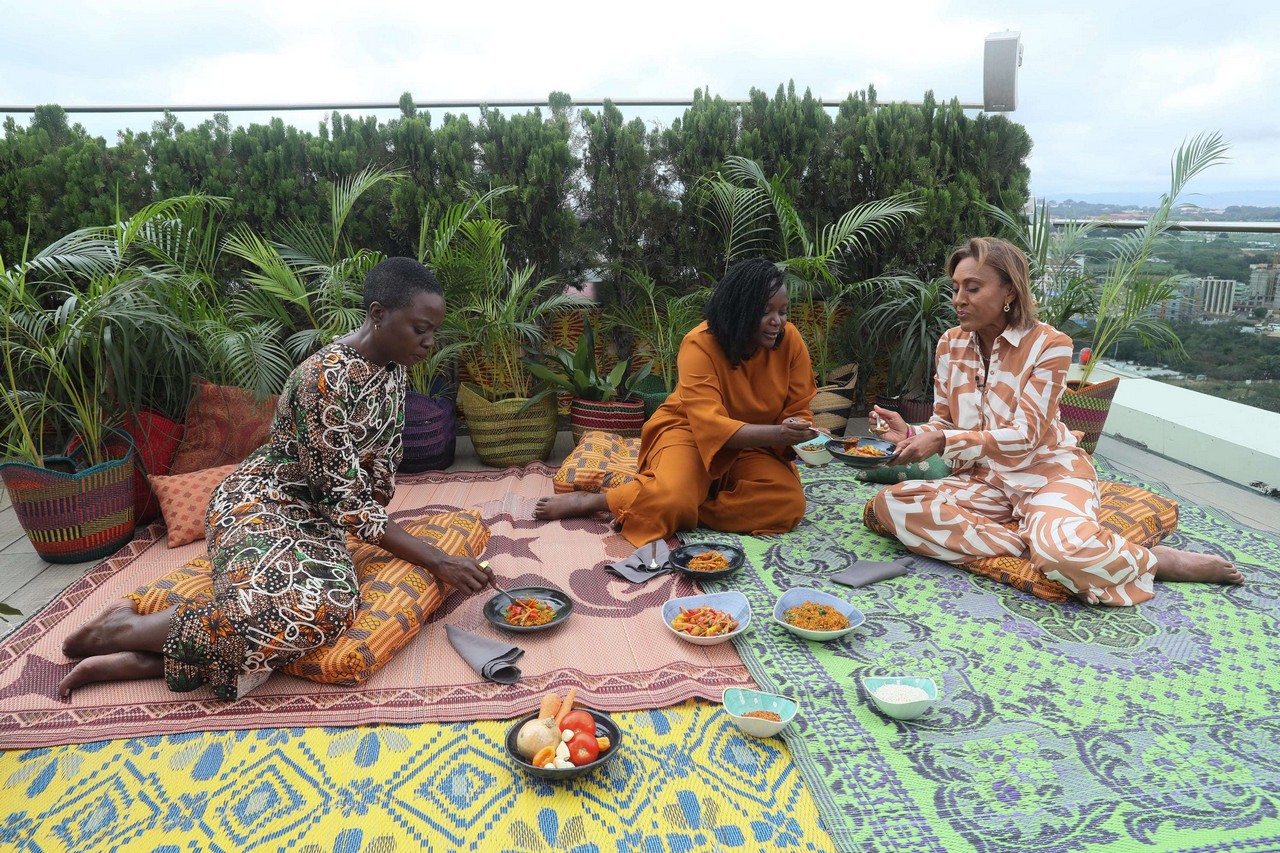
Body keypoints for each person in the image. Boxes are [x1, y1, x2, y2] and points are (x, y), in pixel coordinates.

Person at [58, 257, 495, 698]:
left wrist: (371, 505)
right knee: (283, 609)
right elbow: (345, 502)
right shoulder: (323, 380)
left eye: (433, 331)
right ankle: (122, 629)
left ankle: (145, 659)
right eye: (421, 329)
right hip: (261, 503)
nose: (428, 342)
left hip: (316, 519)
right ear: (378, 314)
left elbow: (374, 472)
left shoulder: (394, 372)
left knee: (331, 610)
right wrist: (435, 560)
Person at [869, 237, 1244, 606]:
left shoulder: (1051, 345)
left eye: (973, 287)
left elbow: (1026, 435)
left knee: (1063, 553)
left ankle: (1154, 560)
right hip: (986, 481)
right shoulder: (950, 344)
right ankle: (1038, 545)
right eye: (955, 288)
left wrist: (942, 442)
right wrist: (914, 432)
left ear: (1009, 292)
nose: (958, 299)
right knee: (892, 503)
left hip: (1049, 473)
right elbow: (944, 423)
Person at [535, 258, 819, 548]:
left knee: (788, 504)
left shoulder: (790, 342)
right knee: (672, 498)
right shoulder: (699, 344)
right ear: (741, 310)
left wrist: (797, 429)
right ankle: (598, 501)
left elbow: (797, 408)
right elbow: (711, 426)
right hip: (691, 435)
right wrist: (780, 433)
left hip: (755, 444)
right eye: (766, 312)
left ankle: (685, 506)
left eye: (783, 311)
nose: (778, 321)